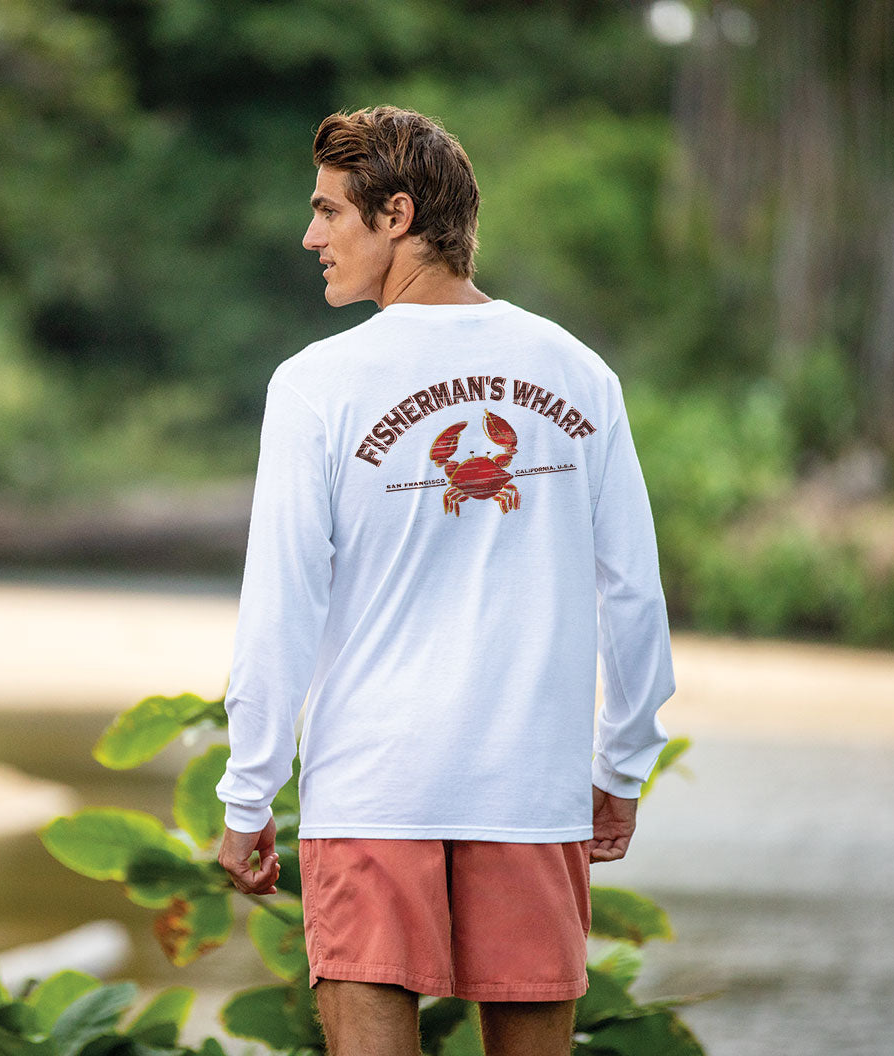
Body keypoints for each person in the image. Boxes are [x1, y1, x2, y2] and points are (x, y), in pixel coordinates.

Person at [216, 106, 674, 1056]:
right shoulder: (580, 375)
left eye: (327, 212)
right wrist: (620, 766)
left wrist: (248, 794)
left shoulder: (314, 384)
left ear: (395, 214)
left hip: (372, 793)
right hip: (532, 793)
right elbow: (631, 592)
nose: (310, 236)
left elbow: (281, 606)